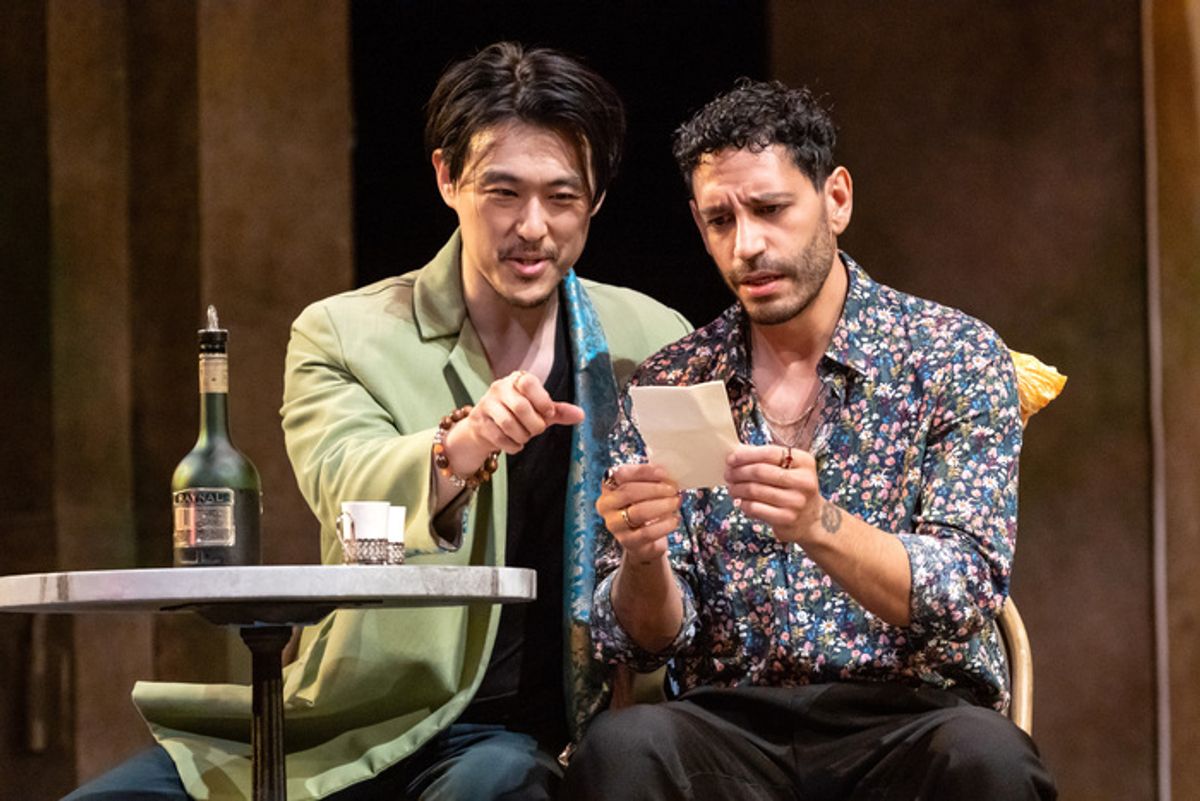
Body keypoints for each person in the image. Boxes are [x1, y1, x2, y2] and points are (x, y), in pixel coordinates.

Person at [65, 42, 689, 801]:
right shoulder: (345, 333)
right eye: (502, 192)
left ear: (594, 199)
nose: (533, 227)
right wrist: (463, 445)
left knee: (496, 782)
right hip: (352, 720)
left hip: (527, 741)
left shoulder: (650, 340)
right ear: (446, 178)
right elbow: (347, 486)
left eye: (561, 197)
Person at [562, 79, 1057, 800]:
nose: (748, 244)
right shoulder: (676, 377)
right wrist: (643, 557)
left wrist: (817, 524)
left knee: (992, 759)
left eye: (769, 209)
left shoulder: (950, 354)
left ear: (837, 199)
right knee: (622, 748)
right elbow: (643, 638)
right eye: (720, 221)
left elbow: (965, 589)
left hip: (907, 717)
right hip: (732, 723)